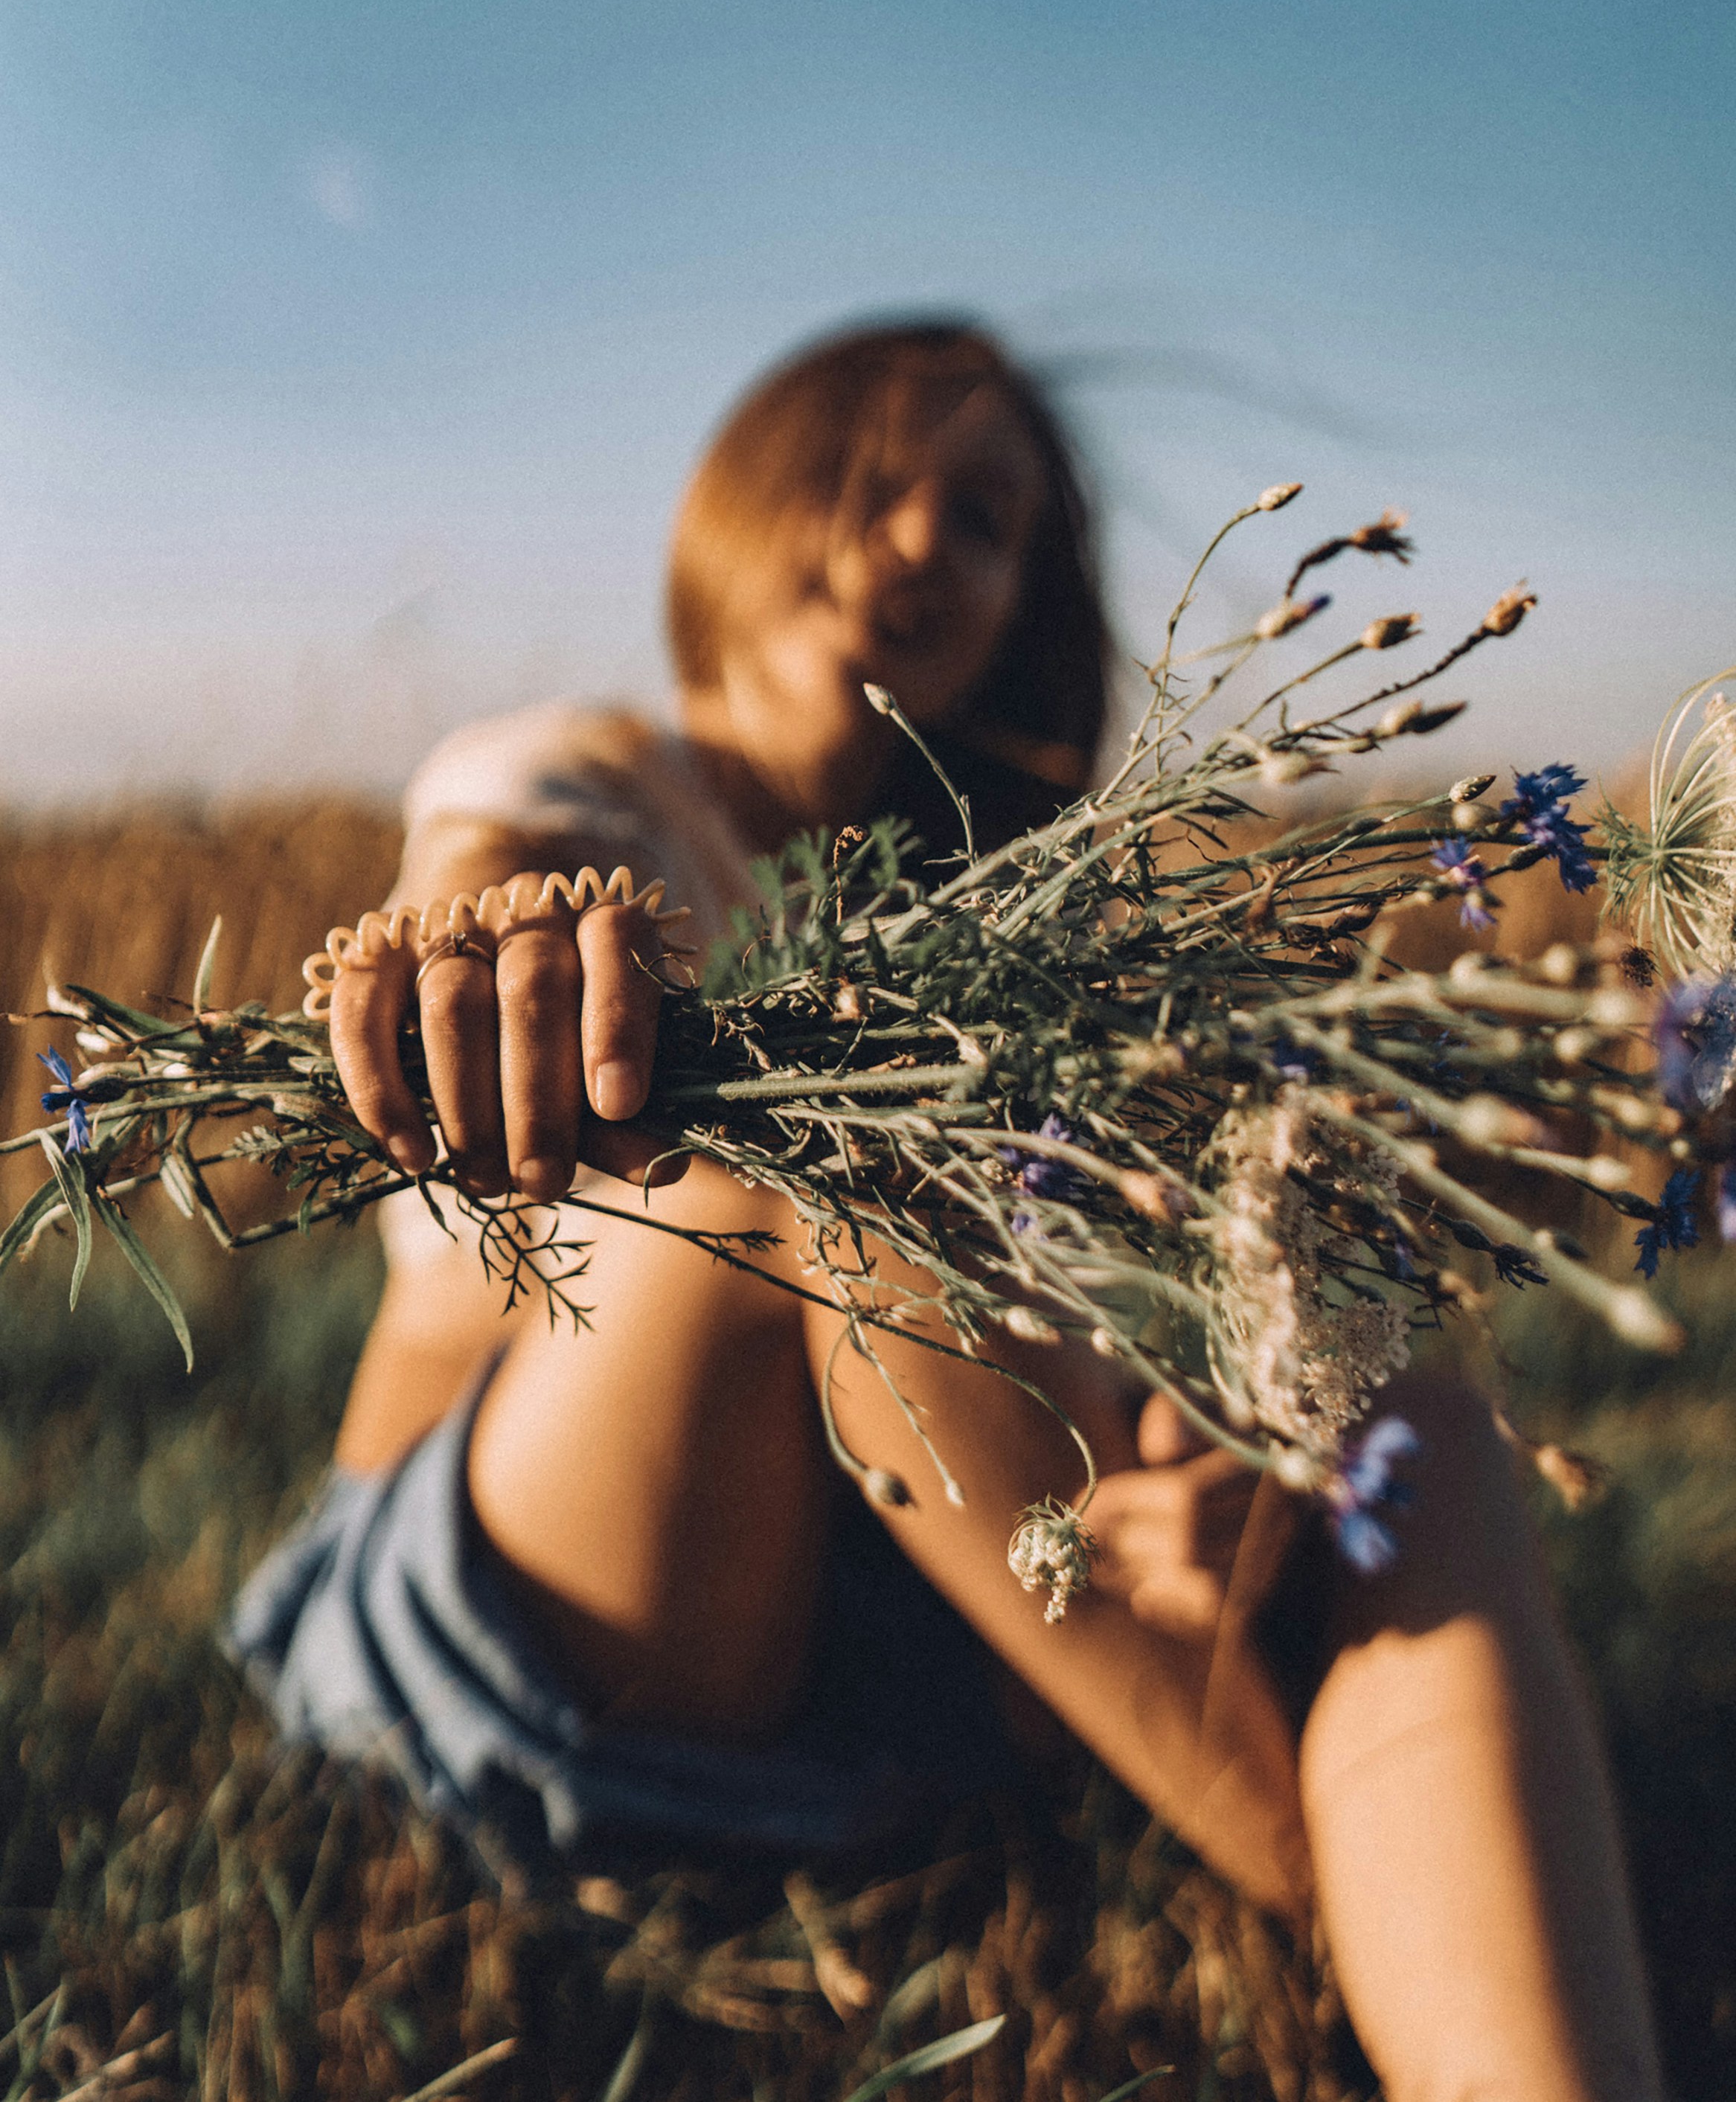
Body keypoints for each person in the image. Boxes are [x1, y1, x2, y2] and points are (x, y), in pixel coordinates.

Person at [234, 321, 1665, 2102]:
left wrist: (1201, 1465)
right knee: (803, 1166)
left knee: (1412, 1429)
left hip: (872, 1648)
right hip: (514, 1632)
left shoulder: (1015, 940)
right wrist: (481, 944)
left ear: (1017, 622)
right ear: (738, 508)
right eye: (861, 477)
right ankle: (1335, 1862)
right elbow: (495, 854)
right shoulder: (604, 779)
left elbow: (1067, 1334)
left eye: (981, 518)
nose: (916, 538)